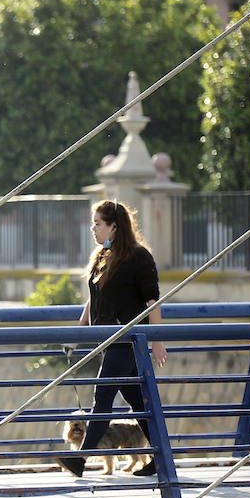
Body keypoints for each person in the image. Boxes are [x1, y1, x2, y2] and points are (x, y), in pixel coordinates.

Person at [58, 200, 169, 479]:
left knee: (102, 397)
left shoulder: (138, 257)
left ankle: (80, 458)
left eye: (98, 223)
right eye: (93, 223)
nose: (92, 228)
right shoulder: (101, 256)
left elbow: (152, 301)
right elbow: (94, 300)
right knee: (139, 402)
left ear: (114, 226)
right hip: (109, 342)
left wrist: (157, 340)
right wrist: (77, 334)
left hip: (129, 340)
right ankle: (162, 458)